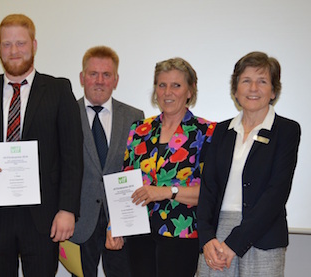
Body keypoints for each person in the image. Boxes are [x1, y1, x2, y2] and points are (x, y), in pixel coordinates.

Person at [0, 14, 83, 276]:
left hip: (43, 216)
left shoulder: (58, 90)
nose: (14, 51)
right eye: (7, 44)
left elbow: (72, 157)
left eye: (20, 43)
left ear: (34, 45)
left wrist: (67, 210)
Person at [197, 52, 300, 276]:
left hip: (263, 234)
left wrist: (234, 243)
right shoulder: (221, 132)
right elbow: (208, 189)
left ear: (273, 91)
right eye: (246, 81)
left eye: (262, 81)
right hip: (216, 237)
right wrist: (206, 237)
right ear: (235, 90)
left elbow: (277, 192)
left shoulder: (287, 130)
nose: (253, 88)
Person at [111, 57, 216, 277]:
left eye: (176, 85)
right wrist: (115, 225)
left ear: (190, 90)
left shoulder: (206, 132)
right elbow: (125, 181)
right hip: (138, 231)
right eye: (162, 85)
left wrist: (165, 192)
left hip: (180, 233)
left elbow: (210, 193)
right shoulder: (140, 129)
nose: (167, 92)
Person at [71, 46, 143, 277]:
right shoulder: (66, 114)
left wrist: (121, 220)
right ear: (82, 78)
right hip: (79, 221)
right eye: (93, 74)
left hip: (121, 221)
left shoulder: (134, 117)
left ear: (116, 80)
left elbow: (136, 169)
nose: (99, 81)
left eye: (106, 75)